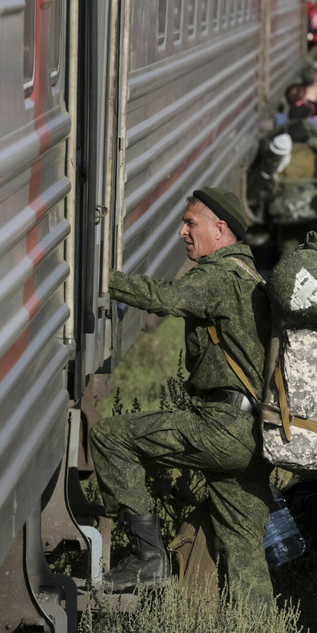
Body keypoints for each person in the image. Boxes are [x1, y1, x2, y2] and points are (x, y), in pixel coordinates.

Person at [87, 188, 273, 602]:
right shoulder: (250, 276)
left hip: (221, 428)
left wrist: (101, 280)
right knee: (244, 553)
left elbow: (166, 298)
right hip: (256, 433)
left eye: (190, 223)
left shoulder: (219, 276)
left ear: (220, 229)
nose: (181, 232)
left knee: (110, 436)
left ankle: (148, 559)